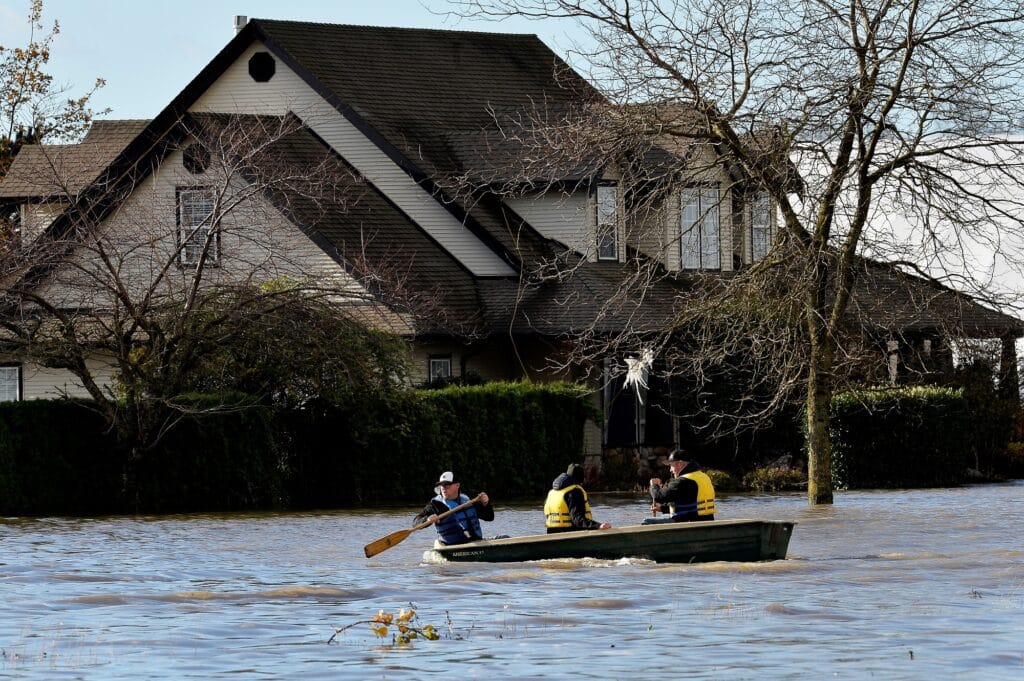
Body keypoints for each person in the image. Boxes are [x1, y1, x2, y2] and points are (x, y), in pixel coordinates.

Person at [414, 471, 494, 545]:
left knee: (504, 537)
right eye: (442, 485)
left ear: (457, 485)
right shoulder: (436, 505)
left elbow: (489, 517)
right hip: (452, 546)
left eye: (447, 485)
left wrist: (486, 503)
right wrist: (427, 520)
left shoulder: (468, 500)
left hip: (476, 542)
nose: (444, 488)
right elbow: (416, 522)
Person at [647, 449, 716, 523]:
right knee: (664, 516)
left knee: (647, 522)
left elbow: (659, 496)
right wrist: (662, 508)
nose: (670, 470)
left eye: (671, 465)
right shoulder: (703, 476)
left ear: (680, 464)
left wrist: (654, 485)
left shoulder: (683, 480)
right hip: (706, 521)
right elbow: (687, 503)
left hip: (689, 522)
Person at [544, 463, 612, 533]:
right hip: (568, 535)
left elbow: (547, 514)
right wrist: (598, 526)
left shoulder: (553, 492)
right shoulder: (575, 491)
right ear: (580, 479)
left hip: (551, 533)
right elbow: (577, 519)